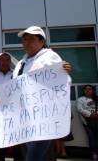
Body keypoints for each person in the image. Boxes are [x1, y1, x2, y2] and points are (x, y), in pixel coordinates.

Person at [11, 26, 71, 161]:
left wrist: (63, 73)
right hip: (25, 118)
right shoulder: (21, 63)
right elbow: (15, 87)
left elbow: (61, 82)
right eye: (24, 39)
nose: (27, 42)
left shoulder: (49, 56)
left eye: (31, 39)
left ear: (42, 41)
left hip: (43, 119)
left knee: (38, 155)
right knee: (29, 152)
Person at [77, 84, 98, 160]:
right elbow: (80, 109)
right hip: (87, 122)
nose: (87, 90)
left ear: (93, 90)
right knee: (92, 138)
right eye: (86, 89)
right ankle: (94, 154)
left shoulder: (96, 98)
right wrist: (90, 115)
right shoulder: (81, 99)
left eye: (89, 89)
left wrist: (96, 114)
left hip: (97, 120)